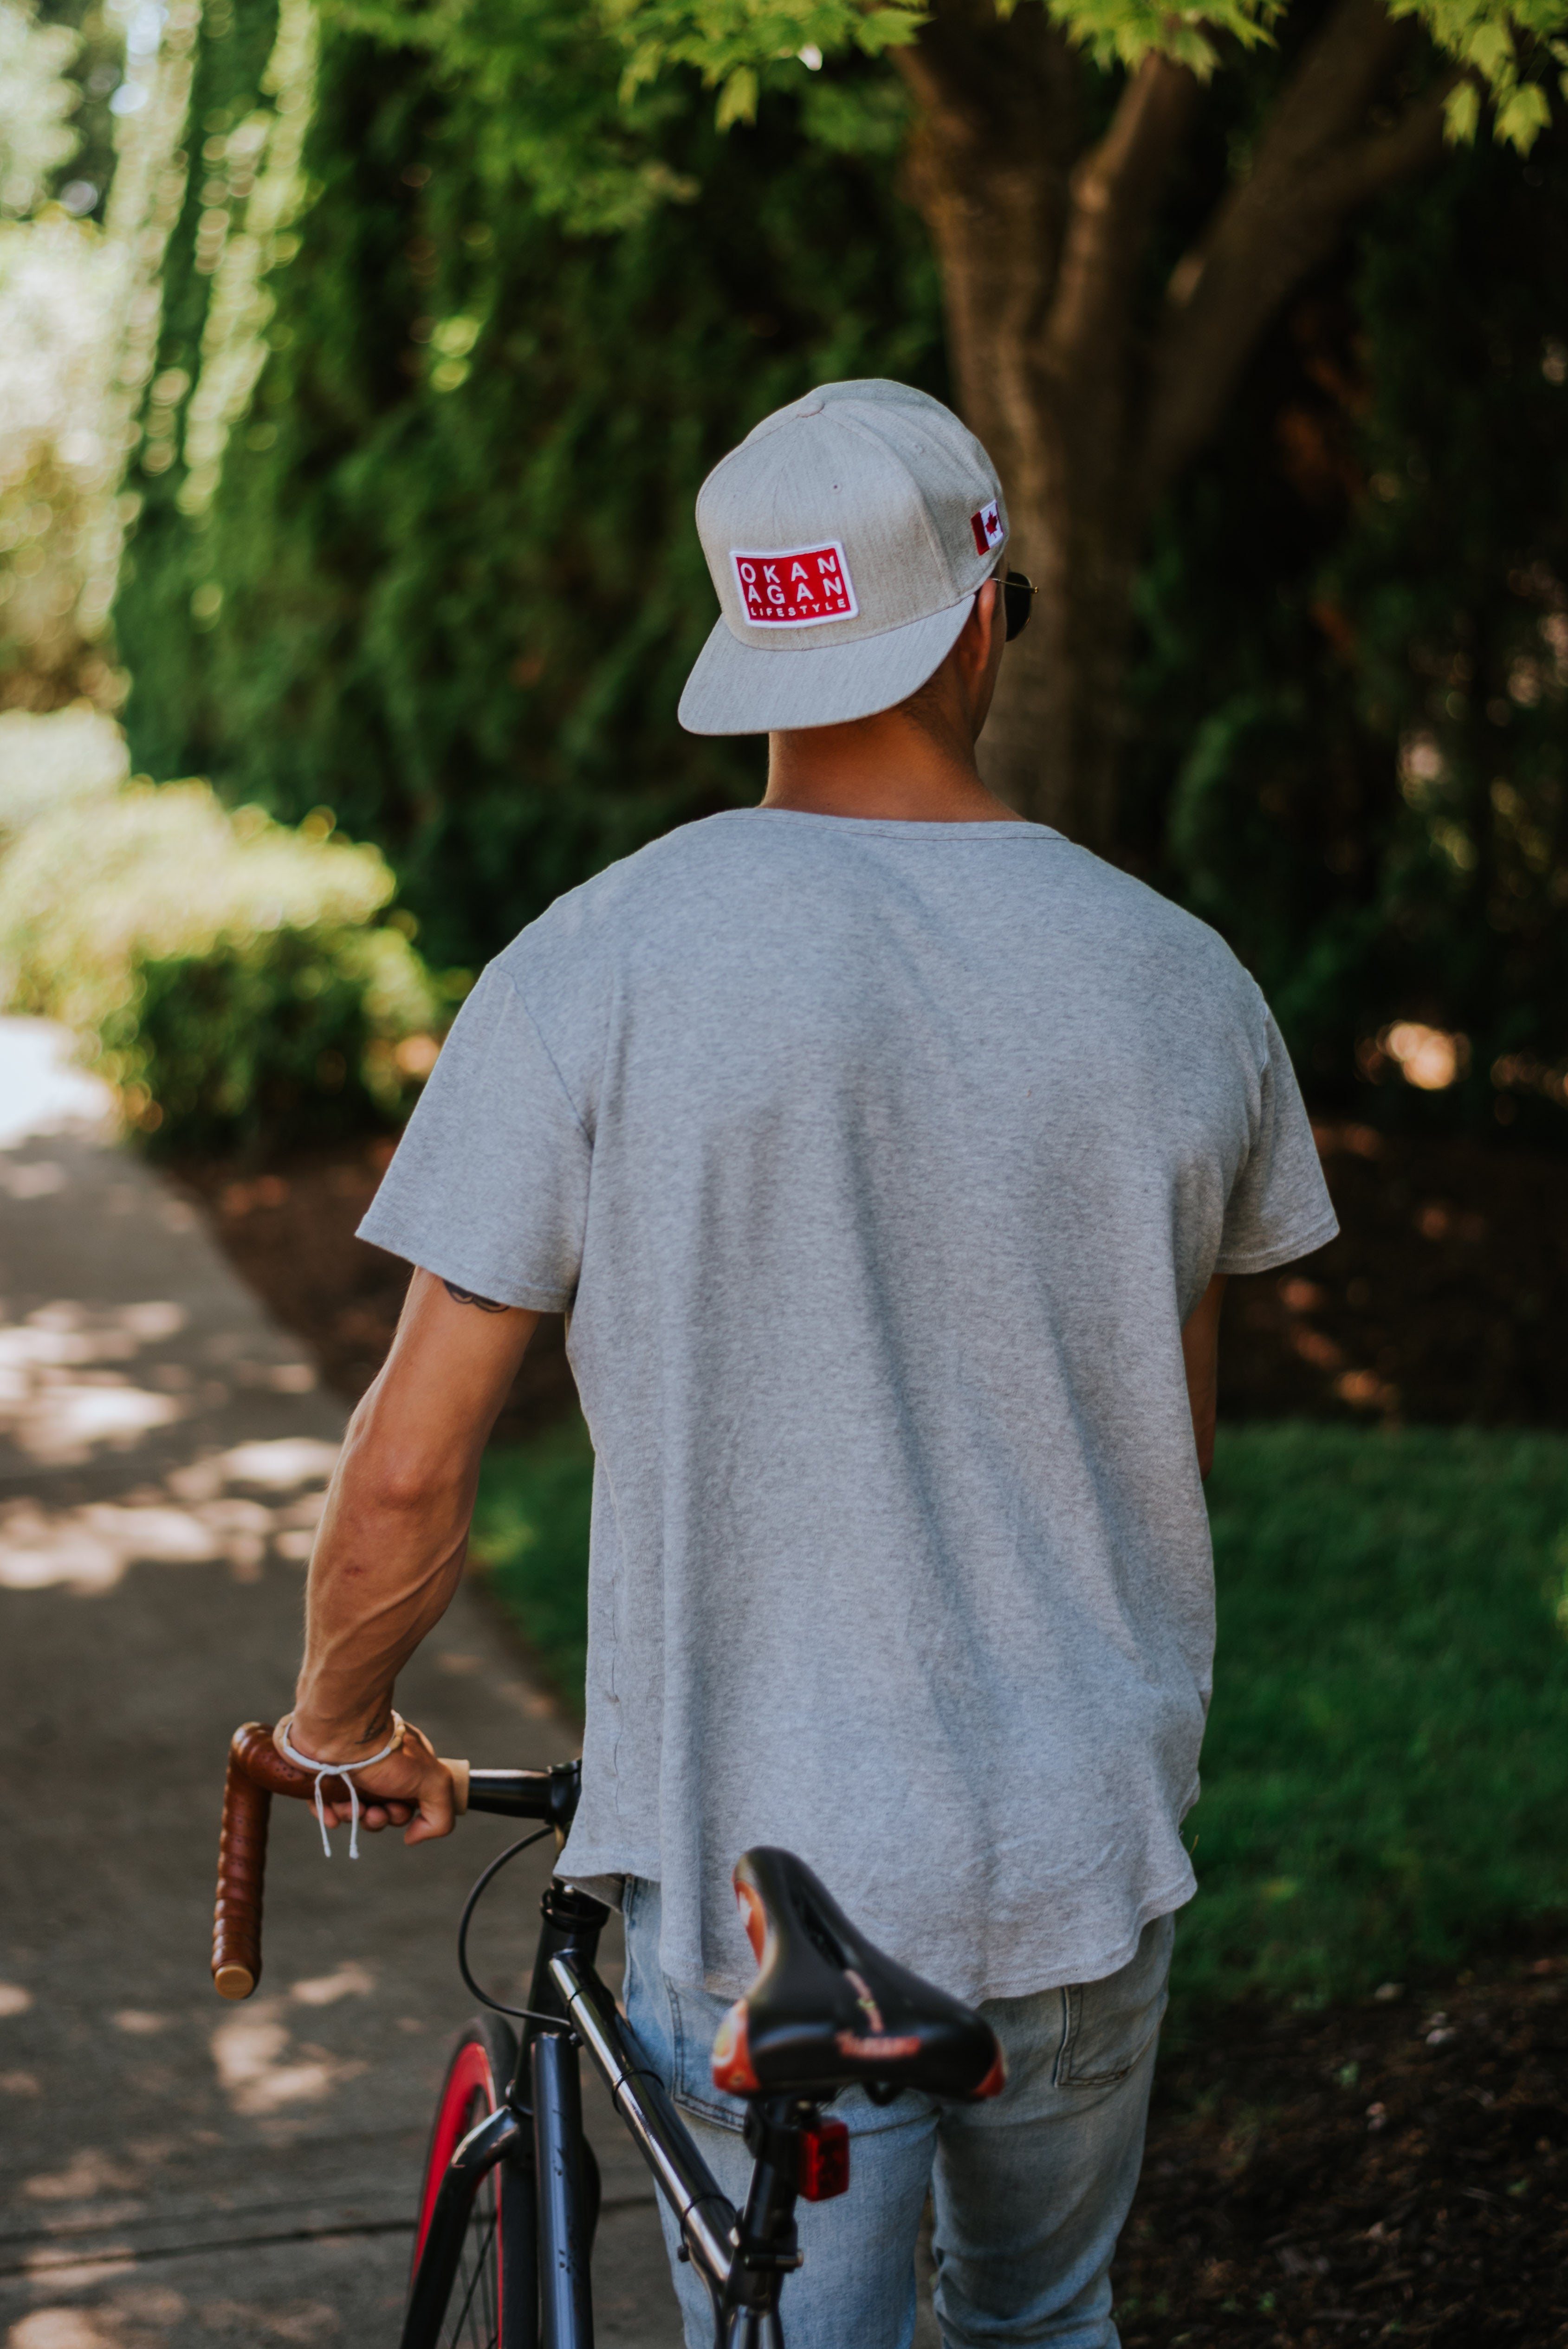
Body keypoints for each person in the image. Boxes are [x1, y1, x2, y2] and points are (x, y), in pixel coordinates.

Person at [275, 380, 1338, 2348]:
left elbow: (408, 1469)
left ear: (749, 639)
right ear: (981, 615)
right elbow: (1158, 1444)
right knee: (1042, 2325)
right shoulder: (1181, 977)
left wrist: (340, 1723)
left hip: (769, 1893)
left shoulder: (593, 965)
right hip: (1081, 1850)